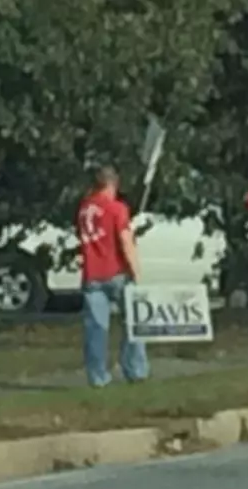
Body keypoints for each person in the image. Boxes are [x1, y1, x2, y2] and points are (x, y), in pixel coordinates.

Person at [76, 165, 148, 388]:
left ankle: (98, 376)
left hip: (92, 274)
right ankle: (135, 369)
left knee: (96, 329)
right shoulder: (117, 208)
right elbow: (125, 241)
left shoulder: (84, 209)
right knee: (134, 323)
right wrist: (136, 272)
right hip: (116, 273)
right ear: (112, 184)